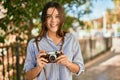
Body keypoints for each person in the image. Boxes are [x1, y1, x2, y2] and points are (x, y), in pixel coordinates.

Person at [23, 1, 84, 80]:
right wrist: (39, 67)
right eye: (49, 16)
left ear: (61, 18)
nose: (53, 20)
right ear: (44, 19)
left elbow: (80, 69)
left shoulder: (71, 39)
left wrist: (68, 63)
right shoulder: (34, 44)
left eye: (57, 16)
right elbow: (28, 76)